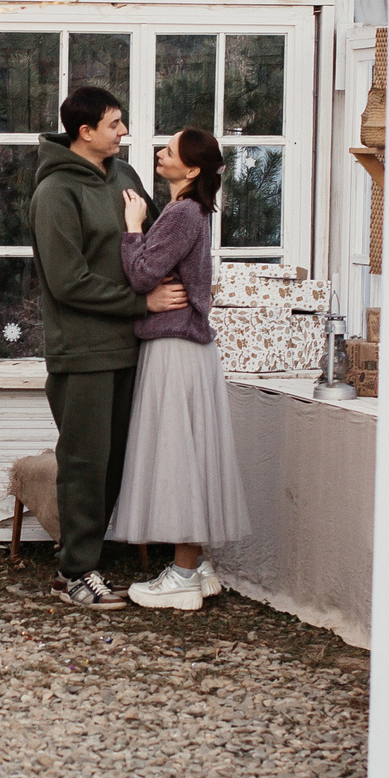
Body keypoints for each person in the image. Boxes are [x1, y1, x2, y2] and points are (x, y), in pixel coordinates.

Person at [30, 86, 187, 610]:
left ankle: (86, 561)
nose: (124, 132)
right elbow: (67, 281)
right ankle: (77, 572)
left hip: (129, 347)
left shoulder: (123, 177)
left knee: (117, 461)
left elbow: (146, 242)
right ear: (86, 132)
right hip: (82, 352)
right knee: (85, 463)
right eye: (115, 123)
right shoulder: (54, 193)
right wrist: (143, 303)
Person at [109, 127, 252, 610]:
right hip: (186, 347)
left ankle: (184, 574)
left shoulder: (182, 212)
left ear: (190, 170)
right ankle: (196, 565)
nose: (160, 153)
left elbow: (144, 274)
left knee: (179, 457)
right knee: (189, 452)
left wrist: (133, 227)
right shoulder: (191, 212)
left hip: (175, 347)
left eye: (169, 150)